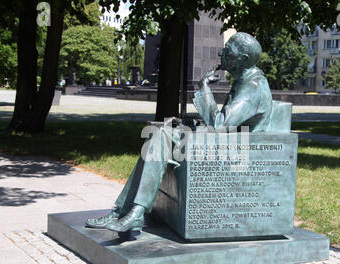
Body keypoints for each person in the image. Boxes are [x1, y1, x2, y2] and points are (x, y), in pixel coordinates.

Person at [86, 32, 274, 233]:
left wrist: (203, 88)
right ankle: (127, 211)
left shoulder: (253, 87)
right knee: (160, 136)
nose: (222, 52)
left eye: (228, 50)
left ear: (244, 59)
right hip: (228, 144)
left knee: (163, 137)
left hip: (239, 153)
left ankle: (132, 212)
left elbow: (220, 126)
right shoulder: (244, 81)